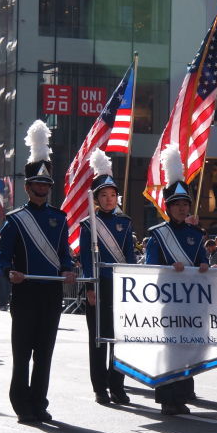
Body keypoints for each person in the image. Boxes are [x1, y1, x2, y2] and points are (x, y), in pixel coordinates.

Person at [0, 120, 75, 424]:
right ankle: (21, 403)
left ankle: (39, 402)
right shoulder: (15, 220)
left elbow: (64, 255)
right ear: (28, 187)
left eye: (46, 185)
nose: (42, 189)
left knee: (44, 353)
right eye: (37, 185)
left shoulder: (60, 218)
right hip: (26, 292)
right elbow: (1, 259)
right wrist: (10, 273)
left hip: (51, 292)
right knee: (23, 354)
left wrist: (68, 270)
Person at [145, 144, 209, 415]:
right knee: (170, 348)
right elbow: (151, 268)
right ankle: (167, 397)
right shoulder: (157, 234)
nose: (182, 209)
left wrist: (204, 264)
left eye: (185, 204)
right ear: (168, 207)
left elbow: (200, 260)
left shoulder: (197, 235)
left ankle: (183, 393)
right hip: (168, 303)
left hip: (191, 302)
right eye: (177, 204)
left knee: (187, 347)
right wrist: (171, 267)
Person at [79, 149, 136, 406]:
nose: (110, 199)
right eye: (104, 195)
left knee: (121, 340)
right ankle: (99, 387)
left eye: (113, 195)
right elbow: (85, 260)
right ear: (96, 198)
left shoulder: (125, 221)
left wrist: (134, 283)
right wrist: (90, 286)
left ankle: (118, 385)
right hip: (98, 288)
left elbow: (130, 256)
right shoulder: (88, 224)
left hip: (121, 288)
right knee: (99, 341)